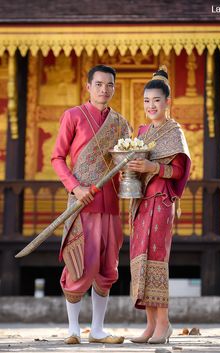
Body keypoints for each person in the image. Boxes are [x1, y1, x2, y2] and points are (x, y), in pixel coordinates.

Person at [51, 65, 131, 344]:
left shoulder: (121, 124)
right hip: (82, 203)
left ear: (113, 88)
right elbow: (57, 158)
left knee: (108, 266)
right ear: (88, 86)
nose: (104, 89)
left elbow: (128, 161)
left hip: (110, 204)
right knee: (80, 264)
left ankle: (97, 330)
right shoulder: (72, 116)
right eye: (98, 84)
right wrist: (75, 186)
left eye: (109, 85)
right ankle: (73, 329)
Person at [128, 66, 191, 344]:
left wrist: (153, 166)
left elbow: (179, 171)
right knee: (140, 260)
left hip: (161, 201)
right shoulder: (141, 132)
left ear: (167, 102)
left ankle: (164, 324)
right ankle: (150, 324)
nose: (151, 106)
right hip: (141, 202)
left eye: (156, 100)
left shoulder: (173, 132)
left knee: (156, 260)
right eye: (146, 101)